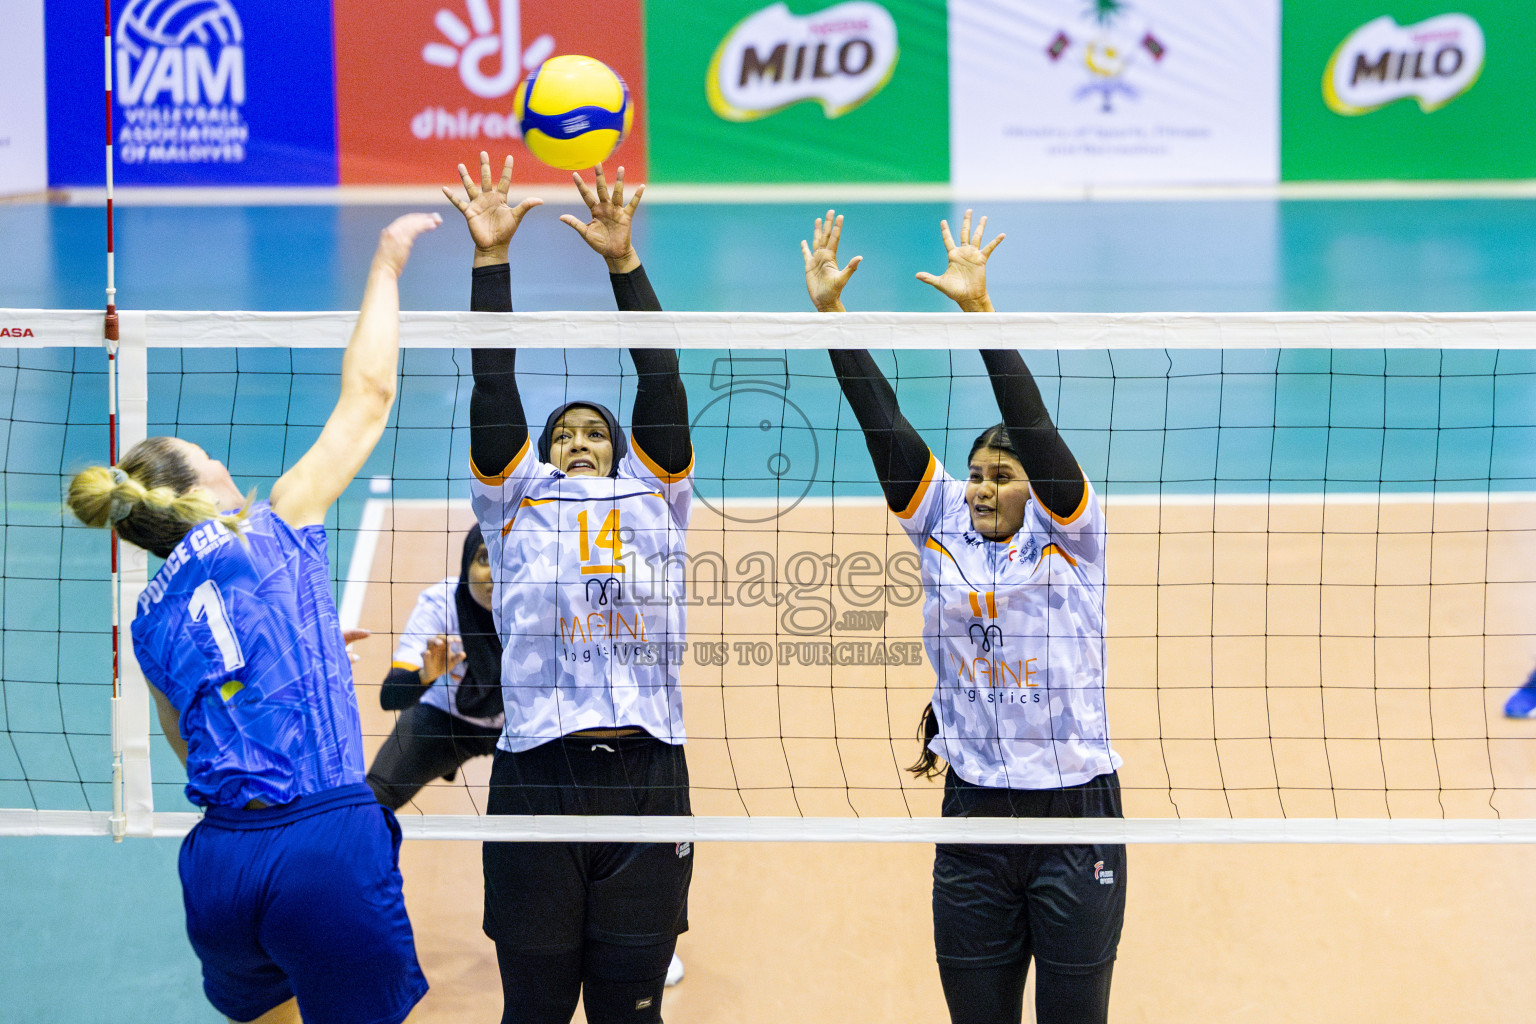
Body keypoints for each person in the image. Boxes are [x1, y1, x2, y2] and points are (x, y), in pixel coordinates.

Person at [66, 212, 441, 1024]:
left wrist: (294, 653)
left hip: (221, 866)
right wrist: (385, 264)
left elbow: (188, 732)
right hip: (322, 849)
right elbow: (369, 398)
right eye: (213, 458)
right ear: (200, 493)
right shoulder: (274, 525)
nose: (227, 464)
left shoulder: (150, 617)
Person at [803, 209, 1126, 1024]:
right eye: (976, 473)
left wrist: (981, 316)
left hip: (1073, 813)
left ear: (1035, 485)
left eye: (1002, 474)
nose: (982, 486)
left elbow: (1038, 429)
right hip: (976, 814)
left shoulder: (1072, 536)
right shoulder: (940, 518)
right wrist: (832, 320)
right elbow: (883, 425)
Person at [444, 152, 692, 1023]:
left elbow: (661, 379)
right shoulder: (514, 498)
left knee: (634, 1011)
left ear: (621, 451)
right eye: (565, 436)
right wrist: (490, 260)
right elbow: (492, 377)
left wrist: (623, 264)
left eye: (595, 433)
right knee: (535, 1009)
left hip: (648, 770)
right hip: (537, 774)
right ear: (544, 455)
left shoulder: (658, 493)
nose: (579, 442)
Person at [366, 524, 504, 809]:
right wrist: (425, 676)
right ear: (466, 564)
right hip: (446, 719)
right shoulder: (440, 605)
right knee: (371, 804)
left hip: (523, 725)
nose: (496, 573)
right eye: (484, 559)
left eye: (506, 560)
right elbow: (389, 696)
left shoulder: (544, 604)